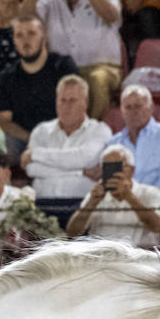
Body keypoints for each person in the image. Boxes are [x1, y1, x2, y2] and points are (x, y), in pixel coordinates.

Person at [28, 0, 122, 120]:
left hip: (102, 67)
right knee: (40, 79)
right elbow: (26, 19)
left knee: (97, 79)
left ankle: (91, 128)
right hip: (62, 69)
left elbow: (112, 16)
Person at [22, 74, 114, 221]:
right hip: (42, 208)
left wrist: (35, 154)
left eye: (72, 100)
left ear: (84, 102)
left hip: (83, 208)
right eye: (62, 100)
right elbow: (32, 169)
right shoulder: (41, 130)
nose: (66, 106)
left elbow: (83, 158)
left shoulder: (100, 130)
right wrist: (81, 172)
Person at [0, 13, 81, 154]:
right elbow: (2, 120)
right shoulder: (7, 76)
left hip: (61, 137)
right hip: (23, 141)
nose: (25, 40)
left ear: (44, 38)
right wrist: (33, 140)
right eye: (19, 35)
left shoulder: (63, 66)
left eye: (31, 33)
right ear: (14, 40)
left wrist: (51, 140)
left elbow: (76, 107)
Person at [66, 144, 160, 246]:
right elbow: (72, 234)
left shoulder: (151, 192)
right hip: (102, 257)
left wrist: (129, 197)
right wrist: (92, 202)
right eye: (108, 168)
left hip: (138, 257)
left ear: (132, 170)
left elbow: (156, 226)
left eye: (117, 167)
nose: (112, 172)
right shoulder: (95, 195)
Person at [106, 84, 160, 198]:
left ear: (151, 108)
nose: (133, 112)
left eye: (138, 106)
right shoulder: (114, 143)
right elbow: (111, 183)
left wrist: (138, 199)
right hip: (122, 203)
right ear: (121, 111)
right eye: (128, 107)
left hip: (158, 202)